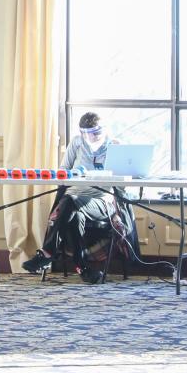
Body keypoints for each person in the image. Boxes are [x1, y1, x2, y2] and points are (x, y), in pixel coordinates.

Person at [22, 112, 131, 283]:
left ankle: (48, 251)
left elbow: (122, 185)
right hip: (75, 196)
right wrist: (76, 174)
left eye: (96, 133)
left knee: (69, 201)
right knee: (73, 211)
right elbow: (63, 173)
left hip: (102, 200)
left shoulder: (115, 146)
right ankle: (82, 266)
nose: (92, 137)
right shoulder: (77, 143)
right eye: (87, 134)